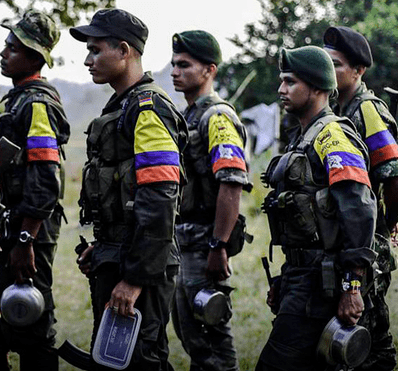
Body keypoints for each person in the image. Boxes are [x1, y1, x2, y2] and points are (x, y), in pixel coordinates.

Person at [71, 9, 186, 370]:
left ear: (124, 50)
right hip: (119, 253)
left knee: (137, 361)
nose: (88, 60)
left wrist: (135, 278)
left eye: (95, 50)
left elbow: (160, 198)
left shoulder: (147, 108)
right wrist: (102, 244)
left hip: (140, 265)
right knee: (112, 358)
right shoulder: (122, 106)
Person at [257, 45, 377, 371]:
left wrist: (352, 285)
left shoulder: (332, 135)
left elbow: (359, 208)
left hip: (321, 283)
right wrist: (285, 278)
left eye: (290, 82)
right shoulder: (304, 136)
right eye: (281, 81)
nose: (281, 90)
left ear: (317, 87)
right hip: (302, 277)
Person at [0, 10, 69, 371]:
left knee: (32, 317)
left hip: (31, 228)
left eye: (13, 47)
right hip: (18, 223)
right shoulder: (20, 99)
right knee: (12, 315)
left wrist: (26, 239)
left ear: (35, 57)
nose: (3, 53)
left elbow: (45, 174)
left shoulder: (36, 103)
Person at [170, 30, 249, 371]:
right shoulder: (187, 116)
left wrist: (218, 245)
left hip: (204, 244)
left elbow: (231, 182)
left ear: (209, 71)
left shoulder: (215, 117)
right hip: (184, 241)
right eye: (173, 64)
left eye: (185, 65)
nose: (175, 71)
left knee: (211, 336)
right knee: (191, 333)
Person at [323, 26, 398, 371]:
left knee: (370, 340)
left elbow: (392, 174)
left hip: (370, 242)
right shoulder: (337, 108)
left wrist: (391, 224)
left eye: (337, 63)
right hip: (346, 239)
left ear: (358, 70)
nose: (330, 70)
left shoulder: (365, 109)